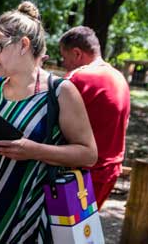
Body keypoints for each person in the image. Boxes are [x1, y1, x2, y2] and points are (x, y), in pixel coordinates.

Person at [0, 1, 97, 243]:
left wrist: (34, 150)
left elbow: (88, 155)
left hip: (28, 214)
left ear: (23, 44)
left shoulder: (61, 92)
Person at [59, 26, 131, 209]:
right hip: (110, 170)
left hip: (81, 173)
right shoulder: (118, 77)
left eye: (64, 57)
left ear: (77, 53)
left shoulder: (78, 78)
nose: (63, 63)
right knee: (81, 231)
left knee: (59, 232)